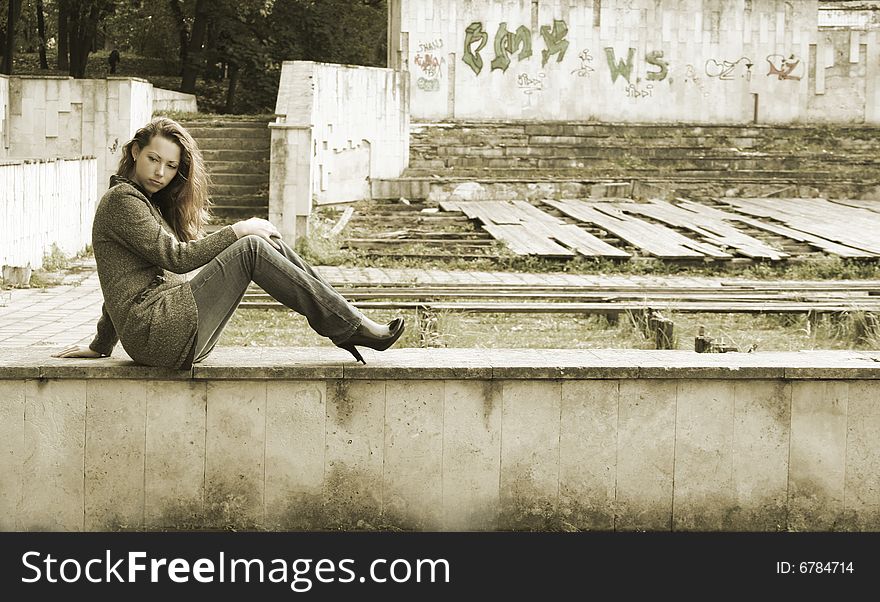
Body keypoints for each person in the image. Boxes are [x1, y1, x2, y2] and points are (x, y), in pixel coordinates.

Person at [52, 117, 403, 368]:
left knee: (266, 242)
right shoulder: (122, 202)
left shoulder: (143, 203)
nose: (161, 172)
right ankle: (349, 326)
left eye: (171, 166)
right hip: (158, 334)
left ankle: (347, 323)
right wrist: (238, 229)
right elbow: (176, 258)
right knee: (250, 245)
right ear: (134, 154)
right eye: (153, 159)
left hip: (166, 334)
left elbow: (117, 281)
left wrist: (100, 345)